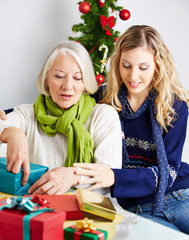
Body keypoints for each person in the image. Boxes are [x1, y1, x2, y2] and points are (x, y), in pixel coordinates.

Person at [73, 25, 189, 234]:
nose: (133, 75)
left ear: (158, 65)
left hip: (181, 195)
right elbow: (62, 106)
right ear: (118, 63)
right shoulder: (104, 98)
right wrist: (11, 114)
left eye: (143, 67)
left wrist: (115, 177)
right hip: (139, 209)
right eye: (126, 65)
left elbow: (169, 171)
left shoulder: (175, 105)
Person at [0, 40, 122, 195]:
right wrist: (12, 134)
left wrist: (74, 175)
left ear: (85, 83)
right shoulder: (27, 113)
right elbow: (2, 124)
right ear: (46, 79)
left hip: (86, 213)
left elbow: (107, 177)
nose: (67, 86)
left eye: (77, 78)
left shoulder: (103, 116)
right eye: (59, 76)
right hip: (37, 208)